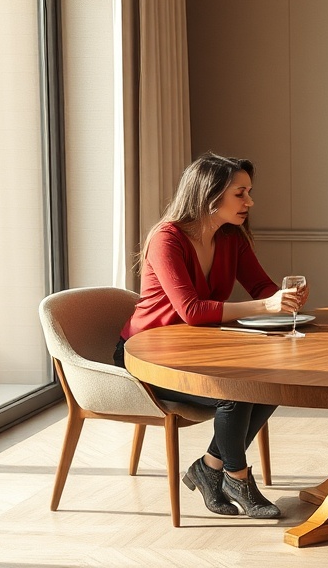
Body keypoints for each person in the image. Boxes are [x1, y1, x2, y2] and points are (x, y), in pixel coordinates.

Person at [113, 152, 308, 519]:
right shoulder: (166, 239)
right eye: (240, 193)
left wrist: (287, 296)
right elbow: (191, 310)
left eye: (249, 192)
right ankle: (236, 476)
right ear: (209, 194)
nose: (250, 201)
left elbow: (260, 285)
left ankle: (208, 467)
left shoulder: (231, 237)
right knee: (233, 395)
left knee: (274, 382)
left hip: (199, 350)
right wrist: (267, 306)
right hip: (148, 357)